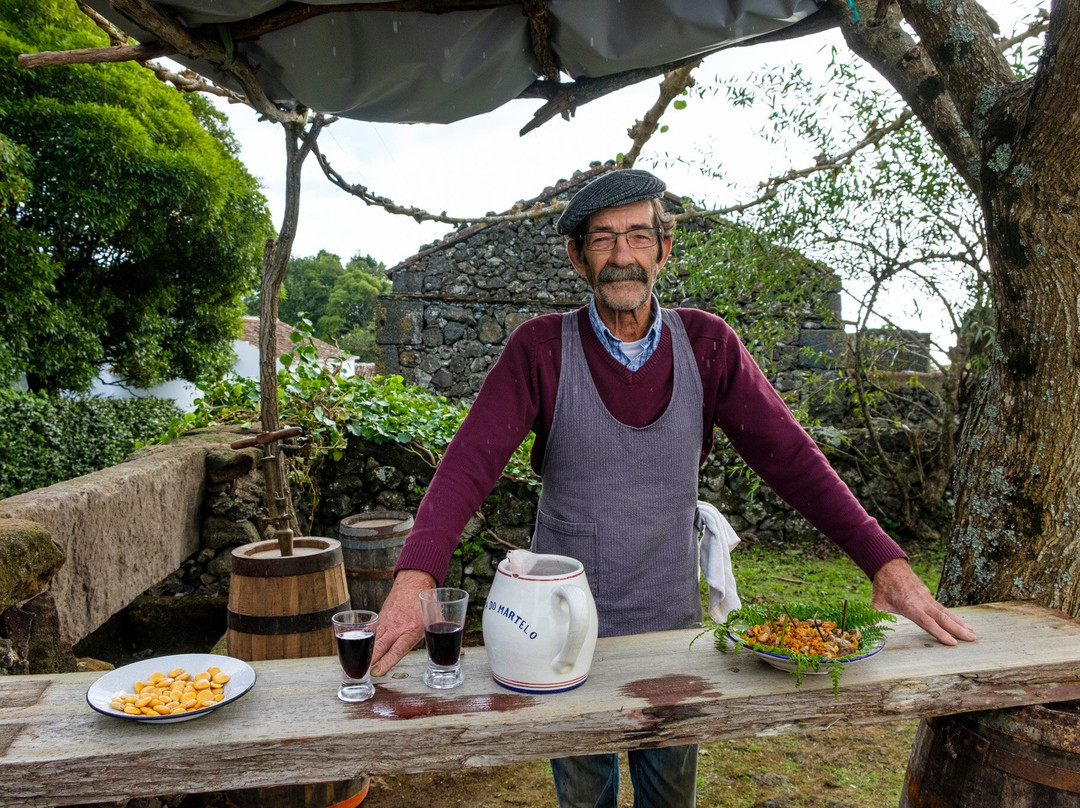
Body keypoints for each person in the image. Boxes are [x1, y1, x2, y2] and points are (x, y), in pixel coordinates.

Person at [369, 169, 975, 807]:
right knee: (586, 797)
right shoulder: (539, 349)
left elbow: (793, 459)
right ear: (577, 257)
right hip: (561, 630)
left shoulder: (709, 345)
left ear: (663, 248)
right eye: (603, 239)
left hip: (668, 626)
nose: (621, 255)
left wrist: (884, 564)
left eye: (638, 235)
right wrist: (416, 578)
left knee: (668, 797)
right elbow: (468, 464)